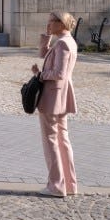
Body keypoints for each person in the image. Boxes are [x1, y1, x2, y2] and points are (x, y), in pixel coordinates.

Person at [31, 10, 78, 198]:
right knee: (62, 140)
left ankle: (56, 186)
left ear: (62, 23)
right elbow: (43, 54)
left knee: (51, 141)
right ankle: (70, 184)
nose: (48, 24)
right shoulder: (66, 41)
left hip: (53, 97)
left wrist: (39, 75)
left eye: (51, 21)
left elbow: (59, 74)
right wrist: (47, 36)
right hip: (60, 97)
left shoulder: (63, 44)